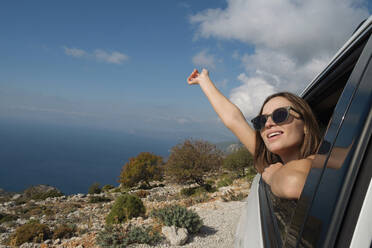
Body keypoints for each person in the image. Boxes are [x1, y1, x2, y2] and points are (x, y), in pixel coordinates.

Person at [187, 68, 321, 199]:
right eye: (261, 121)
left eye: (280, 115)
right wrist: (203, 81)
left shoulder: (322, 161)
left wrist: (274, 176)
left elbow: (293, 185)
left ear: (306, 125)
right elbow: (234, 121)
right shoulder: (270, 162)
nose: (268, 124)